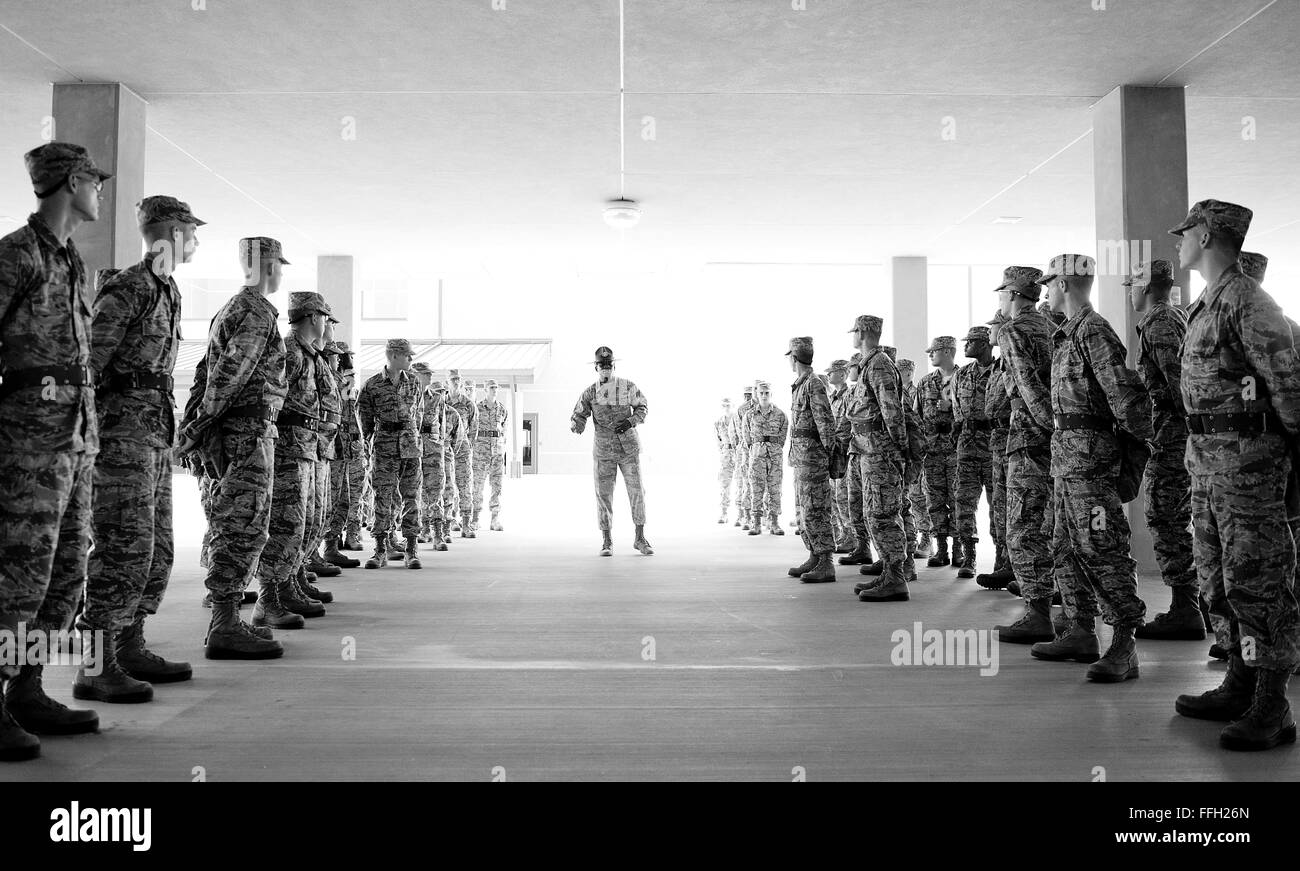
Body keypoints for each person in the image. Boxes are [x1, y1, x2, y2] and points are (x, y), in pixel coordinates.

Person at [1170, 201, 1300, 751]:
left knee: (1259, 583)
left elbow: (1291, 390)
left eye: (1184, 235)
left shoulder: (1248, 301)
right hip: (1209, 468)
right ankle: (1242, 680)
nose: (1178, 244)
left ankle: (1273, 703)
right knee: (1218, 581)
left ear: (1205, 235)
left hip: (1249, 472)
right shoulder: (1209, 302)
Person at [0, 142, 111, 759]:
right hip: (28, 448)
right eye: (95, 180)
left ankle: (28, 687)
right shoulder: (15, 255)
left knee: (66, 574)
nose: (100, 191)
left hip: (77, 442)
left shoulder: (72, 261)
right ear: (73, 181)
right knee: (20, 578)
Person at [80, 195, 203, 703]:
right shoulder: (130, 286)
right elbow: (90, 363)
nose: (195, 241)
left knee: (154, 550)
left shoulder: (167, 289)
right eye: (190, 231)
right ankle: (94, 666)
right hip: (120, 438)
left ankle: (128, 645)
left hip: (151, 435)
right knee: (120, 550)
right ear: (170, 231)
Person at [1036, 254, 1151, 682]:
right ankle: (1080, 631)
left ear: (1064, 283)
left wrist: (1138, 455)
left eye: (1050, 284)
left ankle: (1125, 642)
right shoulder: (1067, 334)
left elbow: (1127, 400)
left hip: (1091, 467)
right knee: (1064, 546)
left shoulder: (1094, 330)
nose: (1046, 291)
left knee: (1101, 548)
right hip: (1068, 463)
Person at [178, 236, 288, 661]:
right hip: (245, 431)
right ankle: (223, 622)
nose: (281, 272)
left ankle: (227, 618)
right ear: (268, 265)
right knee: (242, 525)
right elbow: (227, 374)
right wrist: (200, 427)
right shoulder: (255, 311)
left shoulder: (233, 307)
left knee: (242, 522)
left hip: (242, 430)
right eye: (279, 264)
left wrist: (198, 425)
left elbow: (208, 372)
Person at [1125, 260, 1202, 642]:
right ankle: (1191, 603)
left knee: (1167, 517)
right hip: (1172, 434)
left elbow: (1180, 386)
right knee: (1171, 516)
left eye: (1132, 286)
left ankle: (1187, 607)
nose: (1129, 293)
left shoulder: (1160, 321)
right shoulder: (1165, 318)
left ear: (1146, 286)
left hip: (1172, 436)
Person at [249, 291, 331, 630]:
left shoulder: (308, 354)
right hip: (288, 450)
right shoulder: (290, 353)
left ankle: (288, 584)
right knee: (286, 524)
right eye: (324, 316)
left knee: (304, 523)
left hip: (307, 447)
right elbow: (272, 399)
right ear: (312, 317)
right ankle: (268, 600)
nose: (326, 322)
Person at [989, 266, 1058, 644]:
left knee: (1024, 526)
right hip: (1056, 439)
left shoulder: (1015, 331)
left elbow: (1029, 390)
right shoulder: (1051, 325)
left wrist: (1049, 428)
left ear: (1014, 295)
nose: (1000, 300)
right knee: (1051, 524)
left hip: (1031, 439)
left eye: (1002, 294)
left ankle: (1038, 613)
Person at [846, 319, 912, 601]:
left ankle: (896, 578)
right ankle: (888, 571)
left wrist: (898, 448)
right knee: (874, 512)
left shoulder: (879, 364)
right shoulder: (868, 364)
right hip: (867, 449)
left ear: (862, 333)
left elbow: (892, 411)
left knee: (884, 513)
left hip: (880, 451)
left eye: (854, 332)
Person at [571, 346, 652, 556]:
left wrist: (631, 420)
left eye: (608, 366)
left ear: (613, 366)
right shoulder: (590, 392)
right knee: (603, 495)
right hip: (604, 450)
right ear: (596, 368)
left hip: (628, 449)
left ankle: (640, 538)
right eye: (601, 366)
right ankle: (607, 541)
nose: (605, 369)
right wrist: (577, 425)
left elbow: (643, 406)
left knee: (637, 492)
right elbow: (580, 413)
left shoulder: (627, 387)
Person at [359, 339, 423, 569]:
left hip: (410, 447)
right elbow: (364, 422)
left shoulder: (414, 382)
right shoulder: (372, 385)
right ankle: (379, 548)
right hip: (384, 447)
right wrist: (368, 448)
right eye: (408, 355)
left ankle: (411, 548)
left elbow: (419, 414)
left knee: (411, 496)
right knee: (382, 497)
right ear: (394, 356)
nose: (411, 359)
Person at [784, 337, 838, 583]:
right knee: (804, 509)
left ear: (794, 358)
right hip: (802, 457)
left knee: (817, 508)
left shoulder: (814, 384)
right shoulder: (801, 383)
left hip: (813, 457)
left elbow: (825, 422)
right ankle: (814, 554)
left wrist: (829, 456)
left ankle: (826, 561)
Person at [951, 326, 996, 579]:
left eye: (971, 342)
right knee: (964, 501)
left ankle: (1003, 560)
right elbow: (957, 410)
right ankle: (969, 556)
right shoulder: (962, 374)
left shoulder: (1002, 371)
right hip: (966, 445)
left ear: (984, 344)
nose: (966, 346)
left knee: (998, 504)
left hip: (993, 445)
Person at [976, 311, 1015, 590]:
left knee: (1017, 507)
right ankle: (1005, 564)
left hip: (1015, 437)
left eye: (995, 325)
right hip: (998, 439)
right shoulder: (1000, 363)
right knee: (1000, 506)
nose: (991, 329)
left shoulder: (1014, 356)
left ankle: (1021, 569)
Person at [918, 336, 959, 567]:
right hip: (932, 450)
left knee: (958, 500)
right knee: (934, 500)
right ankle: (941, 548)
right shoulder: (925, 383)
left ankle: (959, 549)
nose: (930, 354)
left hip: (956, 450)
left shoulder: (964, 378)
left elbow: (977, 410)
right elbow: (917, 415)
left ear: (946, 351)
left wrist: (951, 407)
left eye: (933, 351)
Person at [839, 353, 875, 568]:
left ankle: (892, 559)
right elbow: (845, 423)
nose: (849, 371)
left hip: (873, 450)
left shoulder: (872, 388)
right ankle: (862, 546)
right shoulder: (851, 392)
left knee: (876, 505)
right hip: (855, 450)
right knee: (855, 501)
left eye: (851, 366)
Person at [414, 369, 450, 550]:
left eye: (429, 373)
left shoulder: (437, 398)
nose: (429, 376)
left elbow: (444, 426)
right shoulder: (408, 396)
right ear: (415, 374)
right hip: (412, 448)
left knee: (435, 490)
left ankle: (438, 533)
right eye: (424, 373)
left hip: (433, 449)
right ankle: (423, 529)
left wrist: (441, 447)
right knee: (415, 491)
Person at [746, 381, 787, 535]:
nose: (764, 395)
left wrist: (773, 448)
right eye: (761, 393)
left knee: (775, 489)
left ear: (771, 394)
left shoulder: (780, 414)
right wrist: (757, 448)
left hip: (775, 456)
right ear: (757, 394)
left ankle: (774, 523)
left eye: (767, 393)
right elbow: (747, 437)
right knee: (756, 488)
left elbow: (782, 437)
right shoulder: (750, 415)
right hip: (757, 456)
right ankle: (756, 523)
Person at [826, 360, 857, 554]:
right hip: (834, 451)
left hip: (844, 450)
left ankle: (852, 536)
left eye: (832, 372)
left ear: (843, 374)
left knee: (845, 496)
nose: (828, 375)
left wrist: (840, 444)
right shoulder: (833, 397)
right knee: (836, 495)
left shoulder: (849, 395)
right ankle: (844, 533)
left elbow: (849, 425)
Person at [472, 379, 508, 532]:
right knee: (477, 485)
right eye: (492, 387)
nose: (495, 389)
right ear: (485, 389)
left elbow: (504, 429)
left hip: (497, 453)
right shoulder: (477, 408)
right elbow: (471, 427)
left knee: (497, 486)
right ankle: (474, 518)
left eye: (496, 387)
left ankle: (495, 518)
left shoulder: (502, 409)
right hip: (481, 452)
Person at [447, 369, 479, 538]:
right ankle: (449, 521)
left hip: (462, 451)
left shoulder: (468, 404)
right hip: (445, 449)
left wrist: (467, 446)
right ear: (447, 381)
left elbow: (474, 429)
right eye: (453, 379)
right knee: (447, 486)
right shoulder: (442, 401)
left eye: (458, 379)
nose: (456, 382)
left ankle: (466, 523)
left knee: (465, 485)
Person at [733, 384, 757, 530]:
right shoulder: (742, 410)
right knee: (745, 483)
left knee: (763, 484)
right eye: (746, 394)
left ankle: (763, 516)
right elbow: (737, 433)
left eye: (750, 393)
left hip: (760, 450)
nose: (748, 396)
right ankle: (745, 515)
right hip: (745, 451)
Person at [714, 398, 737, 524]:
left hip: (738, 454)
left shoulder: (738, 420)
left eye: (728, 405)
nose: (726, 407)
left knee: (742, 484)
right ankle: (724, 513)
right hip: (726, 455)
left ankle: (742, 515)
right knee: (724, 484)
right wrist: (724, 453)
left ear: (733, 405)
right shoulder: (718, 423)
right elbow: (719, 441)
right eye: (724, 405)